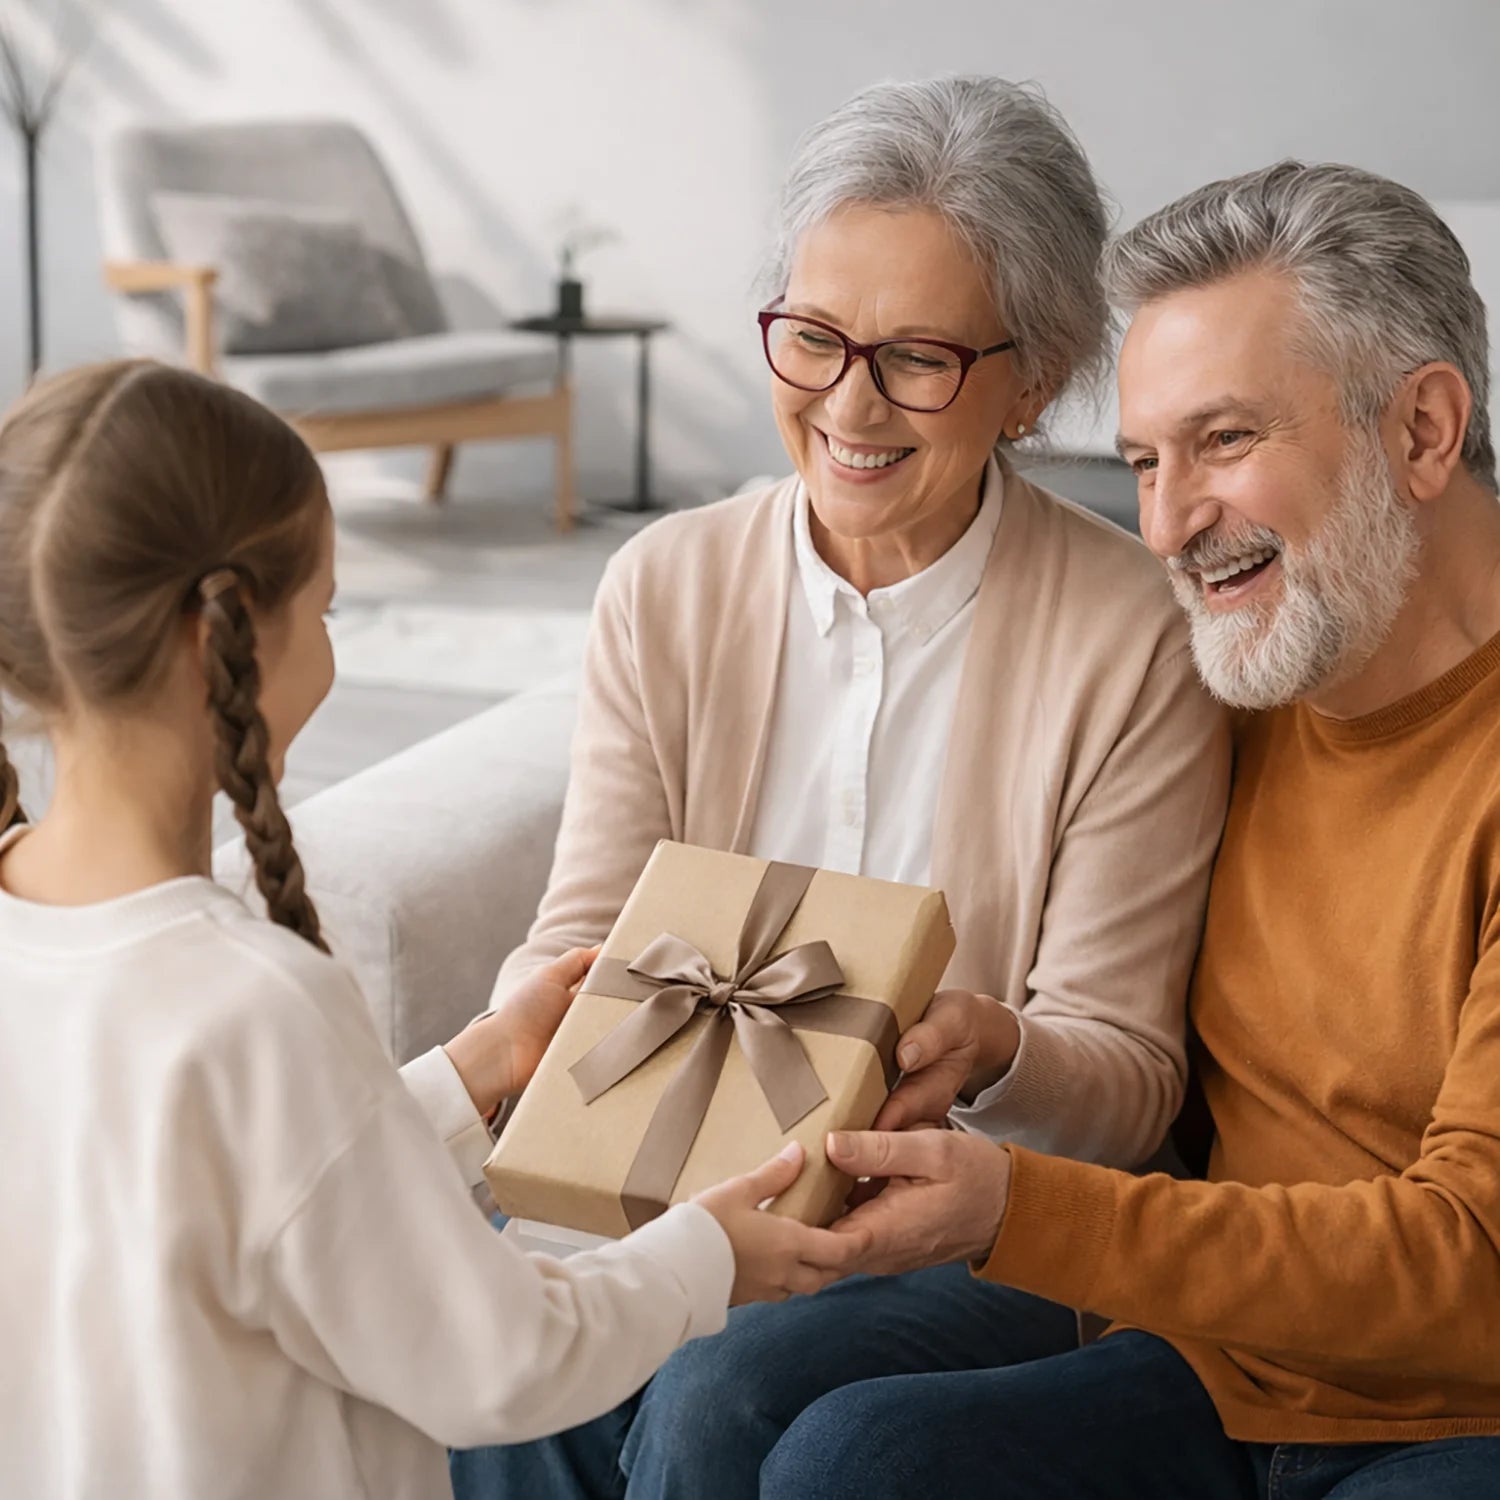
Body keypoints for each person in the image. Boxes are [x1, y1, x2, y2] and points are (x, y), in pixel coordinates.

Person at [451, 74, 1228, 1500]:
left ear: (1034, 377)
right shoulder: (665, 587)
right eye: (812, 340)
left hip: (979, 1224)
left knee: (715, 1390)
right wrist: (532, 1043)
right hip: (665, 1178)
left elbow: (1130, 1089)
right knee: (496, 1364)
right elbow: (575, 934)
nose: (848, 404)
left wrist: (994, 1046)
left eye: (917, 357)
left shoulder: (1135, 635)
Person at [0, 359, 867, 1500]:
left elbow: (225, 1204)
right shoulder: (252, 1005)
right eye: (325, 608)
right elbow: (499, 1362)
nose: (331, 642)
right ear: (230, 641)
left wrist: (473, 1072)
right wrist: (704, 1255)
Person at [761, 161, 1500, 1499]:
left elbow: (1478, 1260)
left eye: (1224, 443)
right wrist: (995, 1048)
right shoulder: (1251, 680)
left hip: (1466, 1408)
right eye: (1145, 462)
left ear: (1425, 431)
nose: (1164, 526)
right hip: (1219, 1365)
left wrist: (1016, 1207)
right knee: (851, 1464)